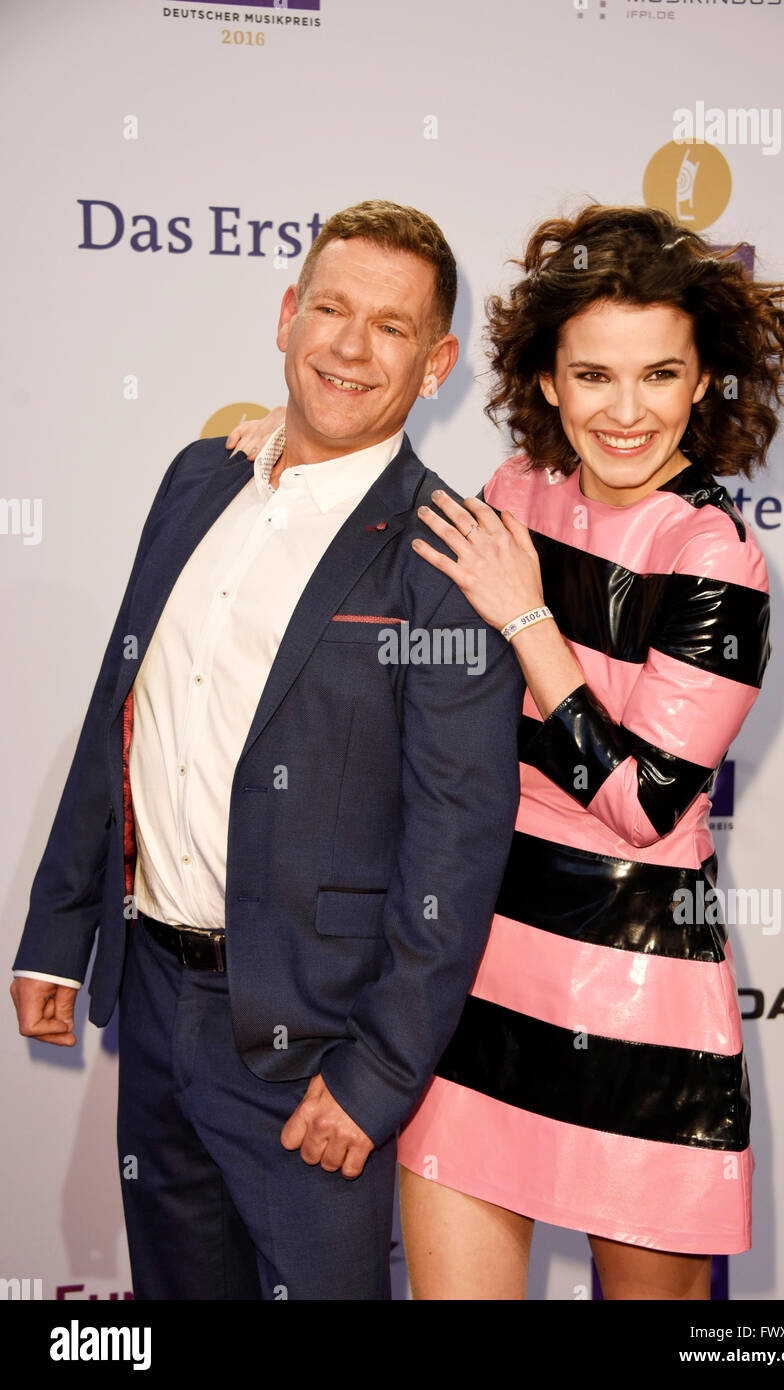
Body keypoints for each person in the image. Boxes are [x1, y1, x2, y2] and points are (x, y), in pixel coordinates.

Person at [10, 200, 525, 1300]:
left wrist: (378, 1074)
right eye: (330, 308)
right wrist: (58, 932)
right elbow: (123, 701)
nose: (348, 345)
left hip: (315, 1054)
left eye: (390, 328)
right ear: (287, 316)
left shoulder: (448, 559)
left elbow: (459, 843)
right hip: (152, 1000)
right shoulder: (199, 479)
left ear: (435, 366)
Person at [397, 204, 784, 1299]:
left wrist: (528, 623)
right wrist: (277, 450)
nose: (625, 412)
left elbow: (644, 803)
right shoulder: (513, 498)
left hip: (638, 1009)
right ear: (546, 380)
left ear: (702, 382)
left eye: (658, 376)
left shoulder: (714, 559)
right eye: (593, 376)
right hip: (480, 988)